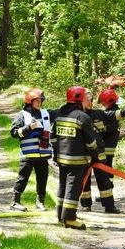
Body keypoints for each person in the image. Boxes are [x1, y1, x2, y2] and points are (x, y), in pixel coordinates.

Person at [80, 87, 125, 213]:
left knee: (104, 180)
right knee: (85, 181)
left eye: (92, 100)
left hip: (99, 153)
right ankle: (85, 205)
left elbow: (112, 115)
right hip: (84, 155)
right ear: (81, 101)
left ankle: (109, 206)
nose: (91, 102)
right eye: (88, 100)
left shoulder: (98, 114)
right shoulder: (77, 116)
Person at [50, 86, 97, 230]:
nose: (86, 101)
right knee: (73, 188)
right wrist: (95, 157)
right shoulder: (83, 117)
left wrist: (56, 153)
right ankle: (70, 218)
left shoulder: (59, 114)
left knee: (63, 186)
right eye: (85, 98)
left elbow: (53, 138)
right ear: (79, 99)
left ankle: (61, 215)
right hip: (78, 160)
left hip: (62, 159)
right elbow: (91, 142)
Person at [9, 88, 56, 211]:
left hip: (42, 155)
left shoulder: (46, 114)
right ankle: (15, 202)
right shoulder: (22, 115)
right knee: (22, 178)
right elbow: (14, 133)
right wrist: (28, 128)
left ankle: (40, 203)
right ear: (30, 101)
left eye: (41, 100)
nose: (39, 103)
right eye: (37, 100)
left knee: (42, 179)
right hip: (28, 155)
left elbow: (60, 112)